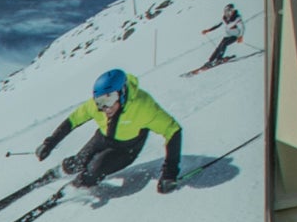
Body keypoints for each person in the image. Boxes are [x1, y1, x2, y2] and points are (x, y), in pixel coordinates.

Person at [38, 68, 186, 192]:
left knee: (94, 170)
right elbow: (72, 121)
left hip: (127, 148)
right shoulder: (97, 106)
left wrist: (169, 173)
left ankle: (73, 190)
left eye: (109, 100)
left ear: (122, 93)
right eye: (100, 102)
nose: (105, 108)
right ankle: (58, 172)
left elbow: (173, 130)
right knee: (78, 162)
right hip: (102, 138)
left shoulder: (143, 106)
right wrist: (50, 143)